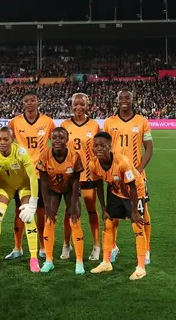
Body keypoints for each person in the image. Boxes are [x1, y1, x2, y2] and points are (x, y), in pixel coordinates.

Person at [87, 132, 148, 281]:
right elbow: (98, 186)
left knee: (137, 226)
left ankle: (141, 267)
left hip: (135, 191)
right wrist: (103, 208)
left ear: (110, 146)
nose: (99, 148)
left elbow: (132, 186)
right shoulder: (93, 163)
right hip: (115, 190)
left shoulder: (122, 162)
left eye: (103, 145)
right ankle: (106, 262)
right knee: (108, 224)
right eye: (96, 145)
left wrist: (134, 211)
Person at [103, 90, 154, 264]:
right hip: (116, 178)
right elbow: (105, 149)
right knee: (113, 216)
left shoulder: (142, 121)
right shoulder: (109, 122)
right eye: (121, 98)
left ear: (133, 101)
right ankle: (113, 247)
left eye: (128, 98)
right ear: (117, 101)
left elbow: (149, 148)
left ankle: (146, 250)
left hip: (137, 177)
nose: (124, 101)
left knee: (142, 213)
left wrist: (138, 170)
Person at [0, 126, 41, 272]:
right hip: (6, 186)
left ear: (12, 140)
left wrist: (32, 203)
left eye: (5, 139)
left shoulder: (21, 153)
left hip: (24, 186)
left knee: (28, 217)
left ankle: (34, 258)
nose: (1, 142)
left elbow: (33, 177)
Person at [7, 92, 56, 260]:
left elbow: (57, 142)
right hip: (20, 175)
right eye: (26, 101)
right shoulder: (15, 122)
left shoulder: (48, 122)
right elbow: (5, 141)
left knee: (41, 212)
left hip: (41, 175)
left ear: (38, 102)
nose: (30, 103)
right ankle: (17, 247)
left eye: (33, 100)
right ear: (22, 103)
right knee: (19, 211)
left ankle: (42, 247)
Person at [37, 127, 86, 274]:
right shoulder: (45, 155)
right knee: (49, 220)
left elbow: (77, 182)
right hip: (52, 190)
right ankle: (49, 260)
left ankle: (79, 261)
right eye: (55, 137)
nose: (58, 140)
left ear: (67, 140)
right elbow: (44, 183)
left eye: (61, 137)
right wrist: (46, 206)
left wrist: (73, 205)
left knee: (74, 220)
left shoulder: (74, 156)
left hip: (70, 189)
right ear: (50, 139)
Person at [60, 93, 102, 261]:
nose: (78, 107)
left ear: (87, 106)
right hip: (69, 177)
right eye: (75, 104)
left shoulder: (94, 126)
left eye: (81, 104)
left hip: (89, 175)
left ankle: (97, 246)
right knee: (68, 212)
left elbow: (99, 150)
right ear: (71, 106)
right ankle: (66, 245)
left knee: (92, 211)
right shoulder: (64, 124)